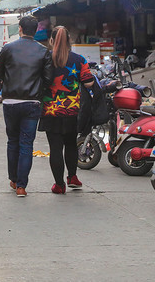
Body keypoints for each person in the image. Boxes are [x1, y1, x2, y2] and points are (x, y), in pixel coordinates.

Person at [0, 15, 53, 197]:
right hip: (32, 103)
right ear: (35, 30)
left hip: (11, 101)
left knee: (12, 141)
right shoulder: (43, 51)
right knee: (26, 144)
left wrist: (8, 82)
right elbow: (48, 78)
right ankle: (21, 186)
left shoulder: (8, 48)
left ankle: (13, 179)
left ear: (20, 28)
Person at [39, 26, 95, 194]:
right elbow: (88, 83)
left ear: (51, 41)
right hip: (71, 110)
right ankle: (72, 177)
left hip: (50, 110)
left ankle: (59, 185)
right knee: (70, 144)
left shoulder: (45, 59)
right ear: (69, 41)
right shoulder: (79, 60)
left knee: (55, 147)